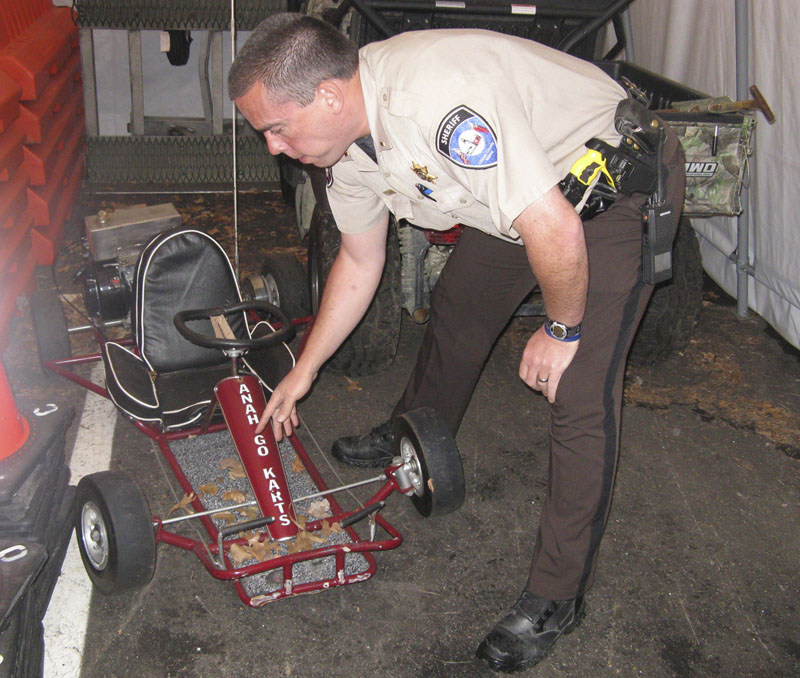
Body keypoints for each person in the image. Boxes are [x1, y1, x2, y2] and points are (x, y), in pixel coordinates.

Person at [229, 12, 684, 673]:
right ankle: (414, 427)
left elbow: (553, 228)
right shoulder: (344, 143)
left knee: (581, 391)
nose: (272, 146)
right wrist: (304, 370)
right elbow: (359, 263)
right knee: (459, 308)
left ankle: (557, 597)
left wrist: (562, 330)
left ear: (327, 95)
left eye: (276, 127)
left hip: (607, 187)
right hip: (526, 196)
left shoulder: (438, 108)